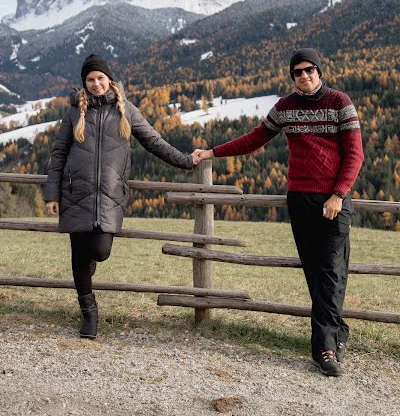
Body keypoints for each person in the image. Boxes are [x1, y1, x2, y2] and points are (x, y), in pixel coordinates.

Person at [193, 48, 364, 377]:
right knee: (316, 273)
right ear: (292, 77)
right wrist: (211, 152)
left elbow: (355, 155)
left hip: (334, 202)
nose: (304, 76)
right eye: (297, 72)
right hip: (300, 200)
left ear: (319, 71)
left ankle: (324, 350)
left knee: (331, 271)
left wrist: (338, 194)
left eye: (310, 70)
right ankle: (336, 333)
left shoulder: (340, 102)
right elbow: (254, 139)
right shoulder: (285, 108)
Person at [45, 54, 197, 339]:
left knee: (100, 251)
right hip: (75, 193)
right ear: (84, 83)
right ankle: (89, 313)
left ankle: (88, 289)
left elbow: (154, 142)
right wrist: (52, 195)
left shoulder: (126, 111)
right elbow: (58, 155)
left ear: (110, 80)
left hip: (109, 196)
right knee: (79, 256)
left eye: (100, 78)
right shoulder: (73, 113)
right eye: (90, 79)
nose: (96, 84)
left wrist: (186, 161)